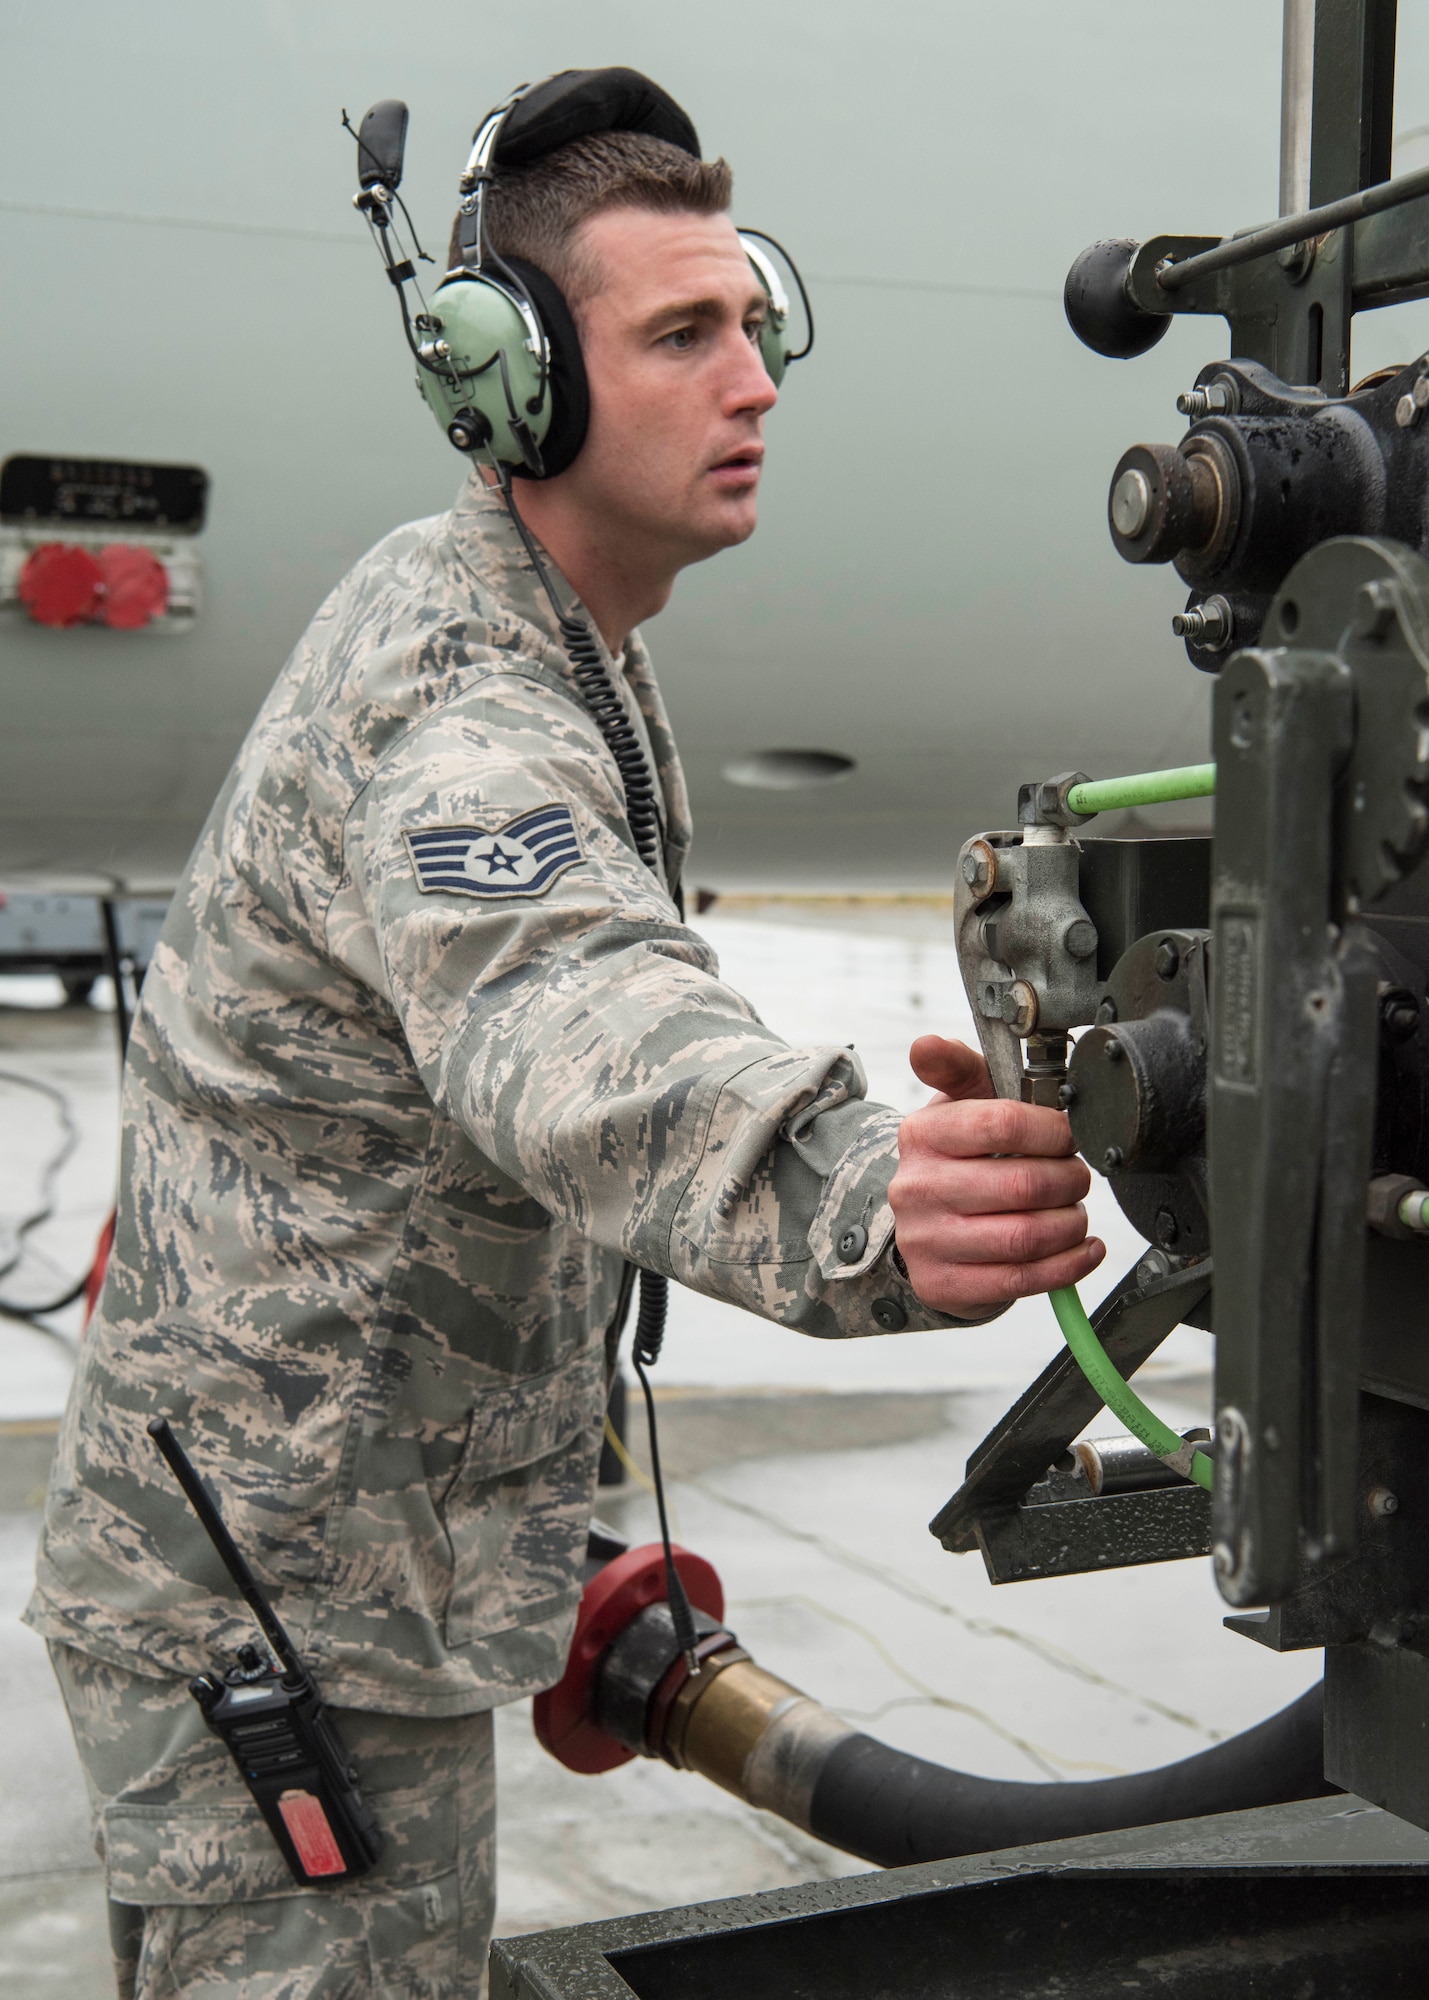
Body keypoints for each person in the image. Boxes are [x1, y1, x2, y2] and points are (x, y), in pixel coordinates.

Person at [26, 70, 1103, 2000]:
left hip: (342, 1572)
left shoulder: (556, 633)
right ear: (512, 384)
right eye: (680, 335)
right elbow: (566, 1021)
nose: (751, 378)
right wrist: (864, 1194)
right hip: (284, 1614)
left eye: (753, 324)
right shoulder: (467, 701)